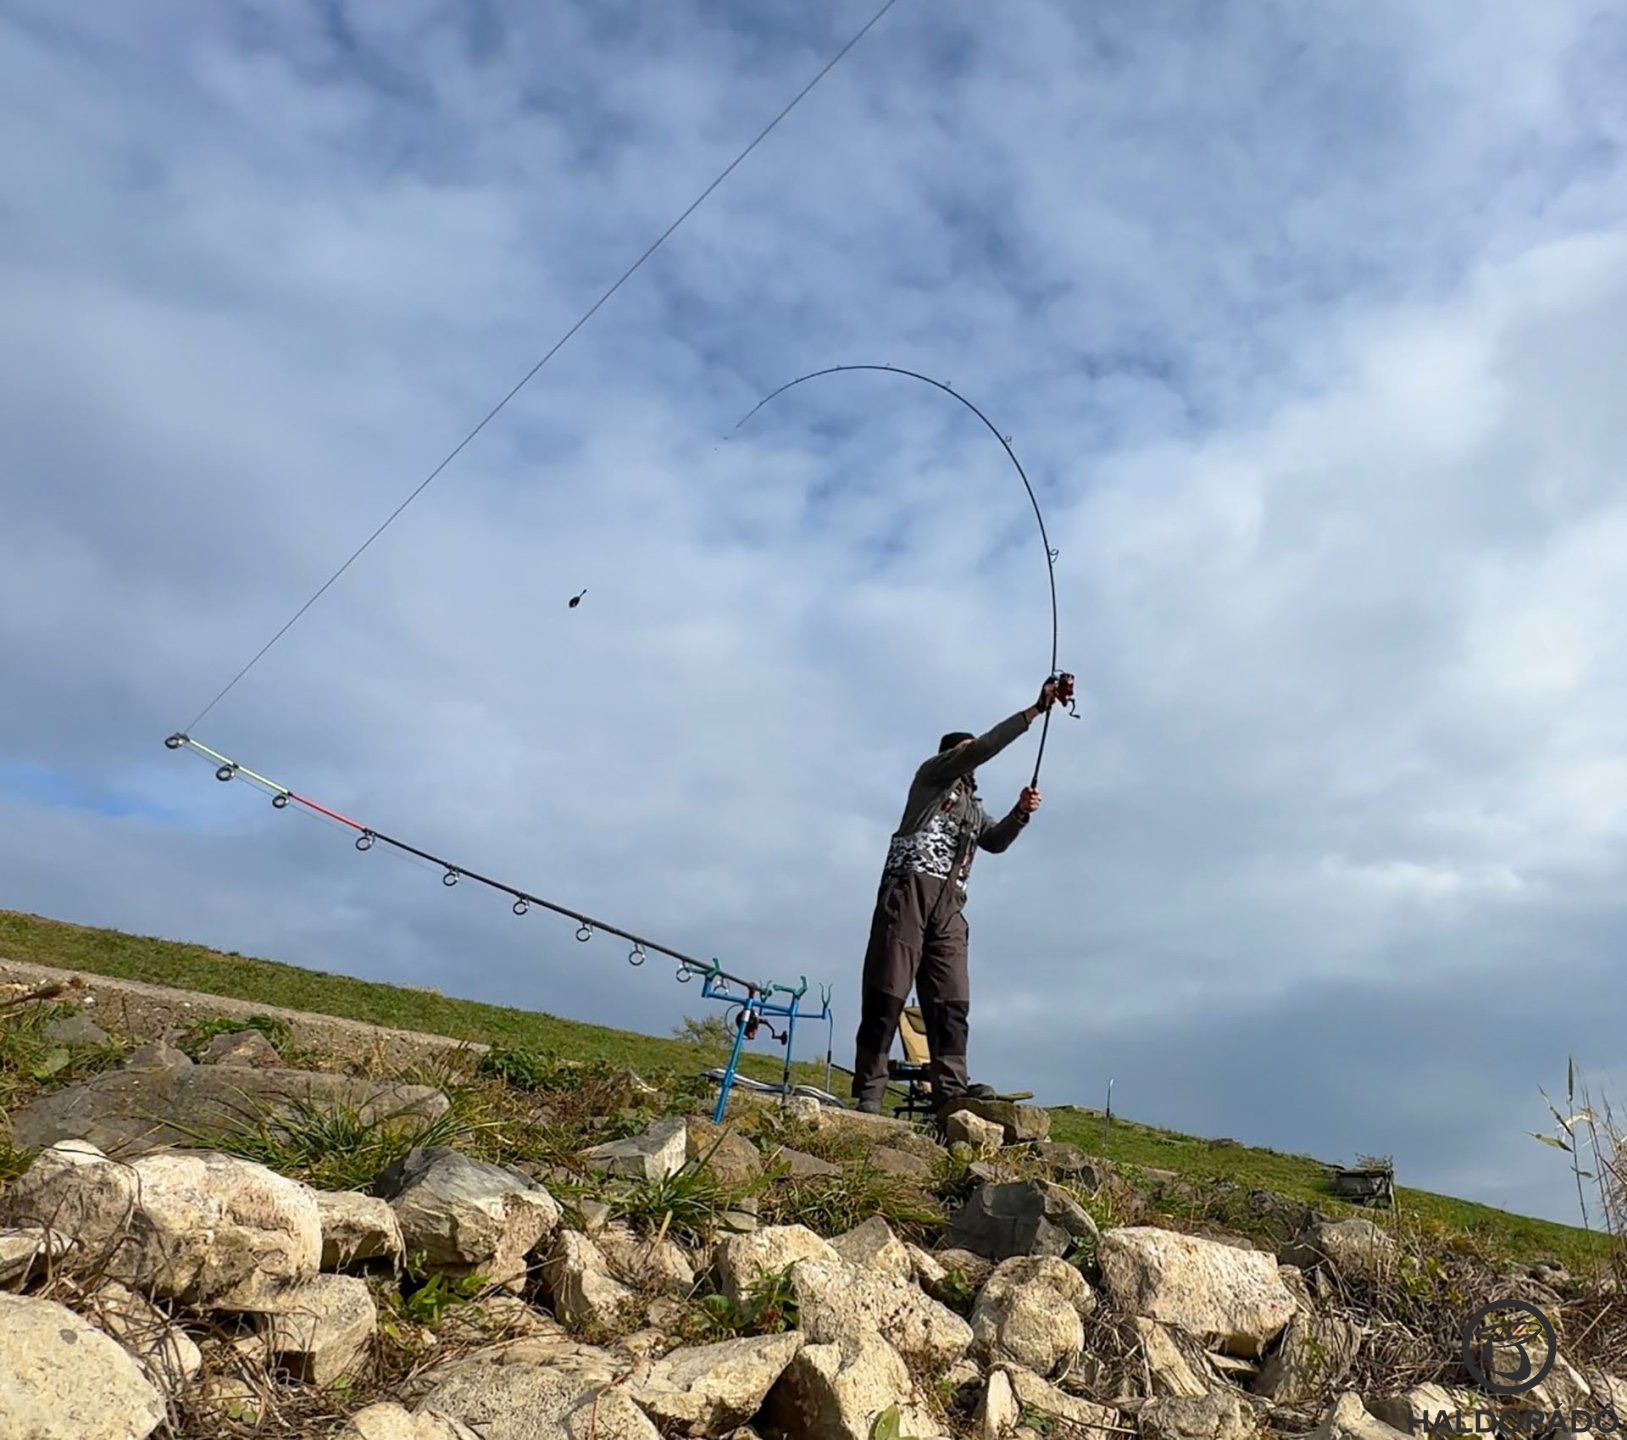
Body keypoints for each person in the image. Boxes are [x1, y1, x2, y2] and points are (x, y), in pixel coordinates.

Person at [851, 678, 1058, 1114]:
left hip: (950, 906)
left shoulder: (972, 809)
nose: (971, 760)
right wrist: (1035, 710)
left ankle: (950, 1091)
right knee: (887, 991)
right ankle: (870, 1091)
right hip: (909, 888)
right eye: (964, 753)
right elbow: (984, 746)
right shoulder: (931, 776)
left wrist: (1020, 813)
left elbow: (995, 841)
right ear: (950, 755)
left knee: (952, 1001)